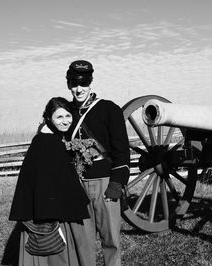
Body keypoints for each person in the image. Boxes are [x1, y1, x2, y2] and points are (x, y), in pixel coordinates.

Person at [8, 97, 94, 266]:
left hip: (48, 208)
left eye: (68, 116)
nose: (65, 121)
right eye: (59, 117)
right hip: (52, 215)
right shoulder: (48, 142)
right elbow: (45, 181)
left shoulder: (50, 138)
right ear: (49, 118)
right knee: (58, 255)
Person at [66, 60, 130, 266]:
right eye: (74, 84)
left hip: (105, 183)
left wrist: (116, 183)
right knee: (82, 244)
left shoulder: (109, 109)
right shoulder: (65, 113)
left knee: (111, 241)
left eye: (83, 84)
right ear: (69, 85)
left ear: (91, 83)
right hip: (77, 185)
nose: (78, 89)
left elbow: (121, 149)